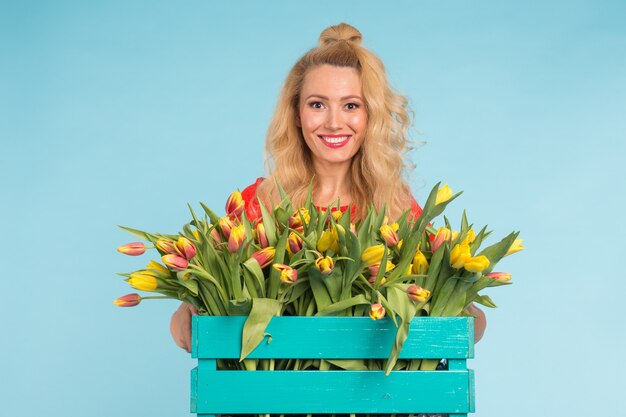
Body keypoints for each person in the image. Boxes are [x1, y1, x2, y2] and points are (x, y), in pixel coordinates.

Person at [171, 22, 485, 356]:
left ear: (371, 115)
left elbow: (466, 321)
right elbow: (186, 326)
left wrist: (460, 301)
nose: (334, 122)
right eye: (317, 104)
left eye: (351, 105)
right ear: (296, 113)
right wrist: (191, 315)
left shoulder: (397, 208)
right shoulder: (258, 203)